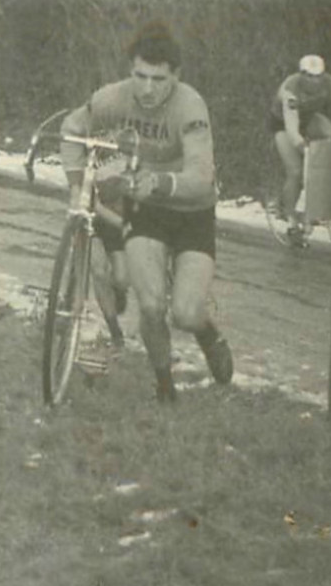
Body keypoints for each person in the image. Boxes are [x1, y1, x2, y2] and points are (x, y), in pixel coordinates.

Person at [60, 21, 233, 403]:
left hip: (191, 211)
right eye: (140, 76)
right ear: (130, 71)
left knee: (185, 313)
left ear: (176, 76)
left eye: (158, 79)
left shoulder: (190, 105)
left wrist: (162, 182)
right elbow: (72, 128)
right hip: (147, 211)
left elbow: (202, 177)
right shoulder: (114, 98)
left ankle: (206, 333)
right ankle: (164, 387)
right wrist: (77, 184)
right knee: (151, 306)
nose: (148, 88)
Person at [268, 54, 331, 246]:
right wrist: (304, 148)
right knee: (295, 170)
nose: (314, 81)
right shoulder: (291, 88)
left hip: (309, 118)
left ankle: (320, 205)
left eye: (318, 76)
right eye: (309, 76)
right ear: (301, 75)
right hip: (284, 124)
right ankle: (291, 218)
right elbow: (292, 128)